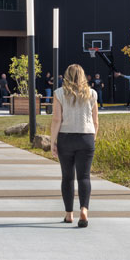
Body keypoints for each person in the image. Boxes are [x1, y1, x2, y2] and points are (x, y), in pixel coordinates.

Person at [50, 63, 99, 227]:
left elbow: (57, 119)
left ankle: (69, 214)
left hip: (66, 138)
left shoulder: (59, 94)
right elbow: (95, 121)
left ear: (67, 76)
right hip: (86, 137)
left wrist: (52, 142)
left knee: (68, 177)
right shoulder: (92, 94)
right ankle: (84, 209)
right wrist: (92, 138)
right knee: (84, 176)